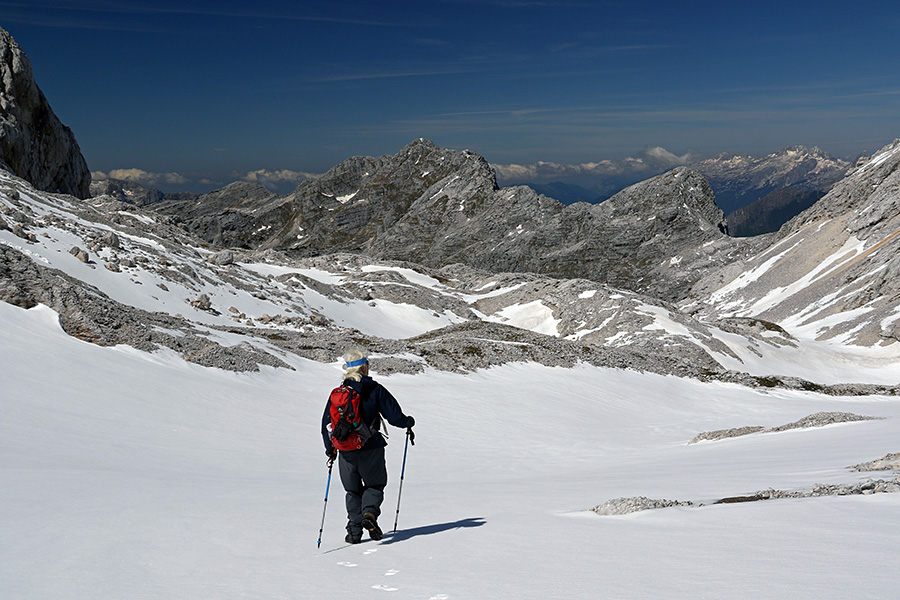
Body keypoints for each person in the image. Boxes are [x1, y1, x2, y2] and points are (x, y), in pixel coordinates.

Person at [322, 349, 415, 544]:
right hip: (371, 447)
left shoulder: (339, 393)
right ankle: (369, 515)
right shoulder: (374, 389)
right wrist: (409, 423)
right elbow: (394, 416)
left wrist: (330, 450)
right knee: (375, 485)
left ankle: (354, 533)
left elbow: (326, 425)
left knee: (352, 491)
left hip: (346, 451)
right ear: (364, 366)